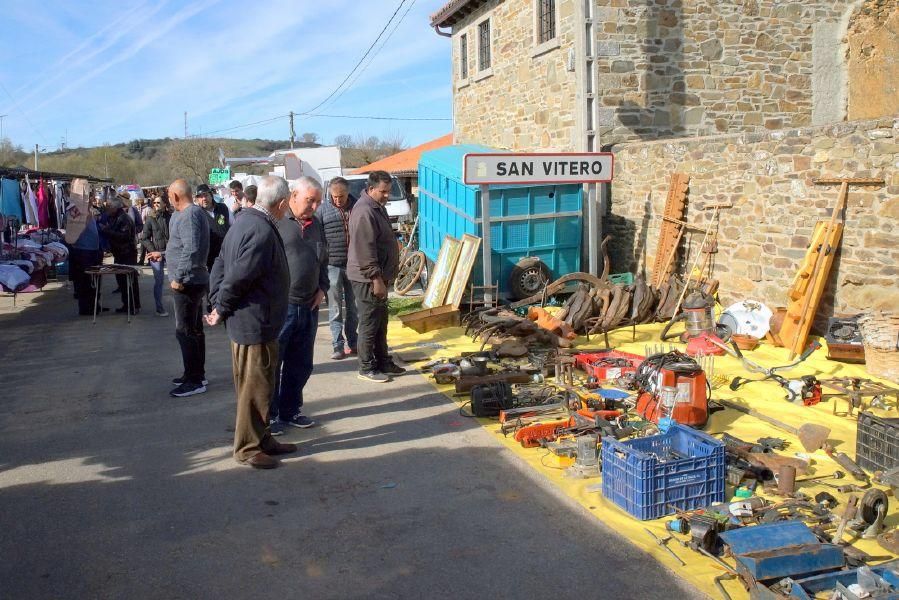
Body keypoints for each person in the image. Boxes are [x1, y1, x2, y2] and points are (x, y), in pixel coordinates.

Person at [207, 175, 296, 469]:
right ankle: (247, 447)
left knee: (263, 386)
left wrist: (216, 298)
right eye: (287, 205)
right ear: (281, 203)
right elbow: (237, 275)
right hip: (254, 323)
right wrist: (220, 305)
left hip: (257, 322)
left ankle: (263, 438)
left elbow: (220, 263)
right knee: (253, 388)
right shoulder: (259, 229)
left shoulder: (246, 221)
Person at [270, 177, 328, 432]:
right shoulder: (277, 223)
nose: (314, 206)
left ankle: (290, 410)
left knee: (301, 363)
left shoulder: (316, 224)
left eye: (317, 201)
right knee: (273, 363)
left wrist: (323, 288)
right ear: (293, 196)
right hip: (283, 307)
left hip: (309, 306)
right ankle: (269, 416)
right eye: (309, 200)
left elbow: (323, 259)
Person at [346, 170, 404, 383]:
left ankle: (383, 361)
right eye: (383, 191)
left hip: (379, 276)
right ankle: (366, 367)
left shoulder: (377, 207)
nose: (387, 195)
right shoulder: (364, 211)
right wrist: (376, 279)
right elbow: (365, 250)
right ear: (370, 189)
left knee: (381, 322)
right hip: (367, 279)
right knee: (370, 323)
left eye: (389, 191)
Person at [165, 179, 210, 398]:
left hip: (189, 282)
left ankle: (194, 380)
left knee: (185, 331)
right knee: (192, 329)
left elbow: (191, 248)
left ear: (175, 196)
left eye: (169, 196)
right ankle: (195, 374)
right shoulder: (187, 214)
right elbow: (183, 245)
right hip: (190, 280)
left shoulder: (190, 214)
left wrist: (179, 276)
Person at [317, 176, 358, 360]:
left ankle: (353, 342)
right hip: (332, 266)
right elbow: (317, 240)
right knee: (334, 308)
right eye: (334, 196)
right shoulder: (322, 210)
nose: (337, 200)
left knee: (353, 307)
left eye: (341, 196)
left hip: (354, 265)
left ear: (347, 193)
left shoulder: (357, 207)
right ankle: (337, 345)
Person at [98, 195, 141, 314]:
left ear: (115, 207)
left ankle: (133, 306)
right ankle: (127, 304)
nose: (107, 209)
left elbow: (124, 236)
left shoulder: (124, 218)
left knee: (129, 280)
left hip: (127, 254)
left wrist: (107, 231)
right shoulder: (116, 217)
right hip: (120, 253)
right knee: (122, 281)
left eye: (109, 207)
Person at [142, 196, 171, 316]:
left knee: (175, 278)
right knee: (159, 281)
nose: (156, 204)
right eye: (154, 202)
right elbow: (144, 238)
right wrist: (153, 251)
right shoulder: (150, 218)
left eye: (159, 202)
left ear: (165, 204)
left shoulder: (171, 217)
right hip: (155, 254)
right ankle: (159, 308)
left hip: (170, 252)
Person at [195, 183, 230, 272]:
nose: (204, 199)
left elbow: (233, 226)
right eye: (200, 197)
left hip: (227, 253)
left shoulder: (223, 208)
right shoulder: (197, 214)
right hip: (209, 258)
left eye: (206, 195)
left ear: (211, 195)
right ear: (197, 200)